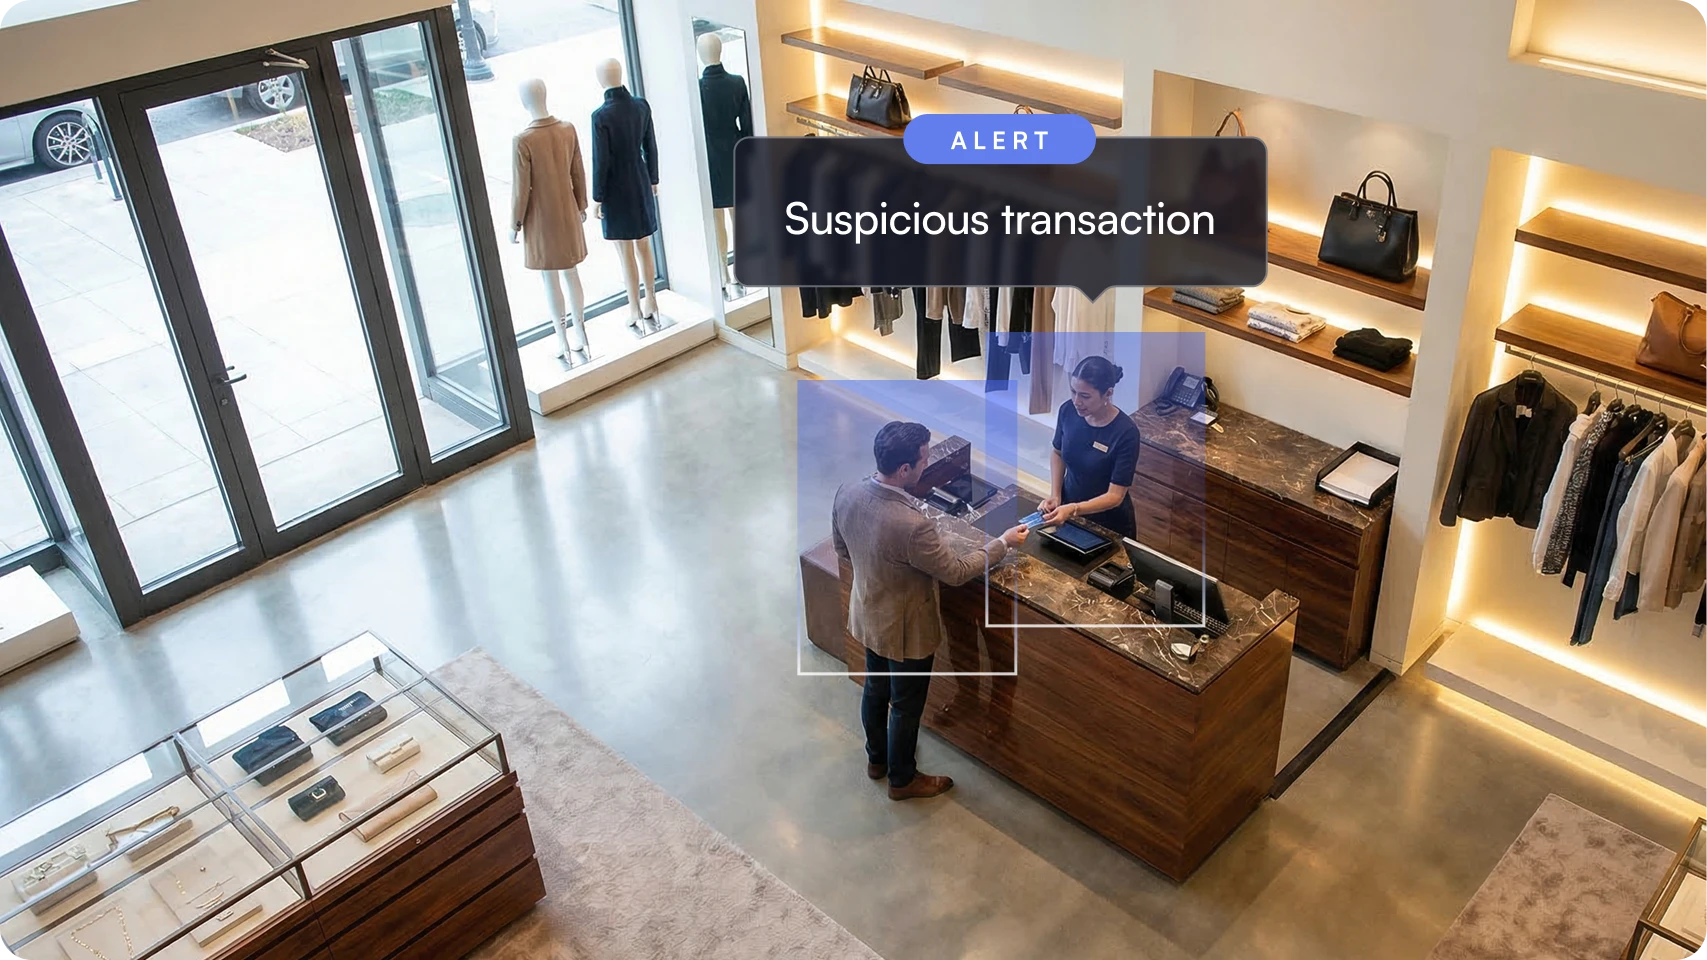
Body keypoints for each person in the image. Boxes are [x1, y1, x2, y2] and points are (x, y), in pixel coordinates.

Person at [832, 421, 1029, 800]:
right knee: (905, 706)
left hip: (868, 614)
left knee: (875, 689)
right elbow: (955, 572)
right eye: (923, 459)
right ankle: (902, 779)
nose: (926, 464)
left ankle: (877, 760)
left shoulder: (847, 492)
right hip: (906, 632)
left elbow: (844, 553)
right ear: (905, 469)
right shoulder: (912, 525)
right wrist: (1002, 543)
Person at [1040, 355, 1141, 540]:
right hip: (1068, 511)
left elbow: (1115, 496)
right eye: (1073, 392)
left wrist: (1075, 509)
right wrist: (1056, 495)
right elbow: (1057, 453)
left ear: (1108, 393)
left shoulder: (1126, 433)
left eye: (1085, 396)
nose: (1077, 401)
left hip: (1109, 524)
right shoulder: (1067, 411)